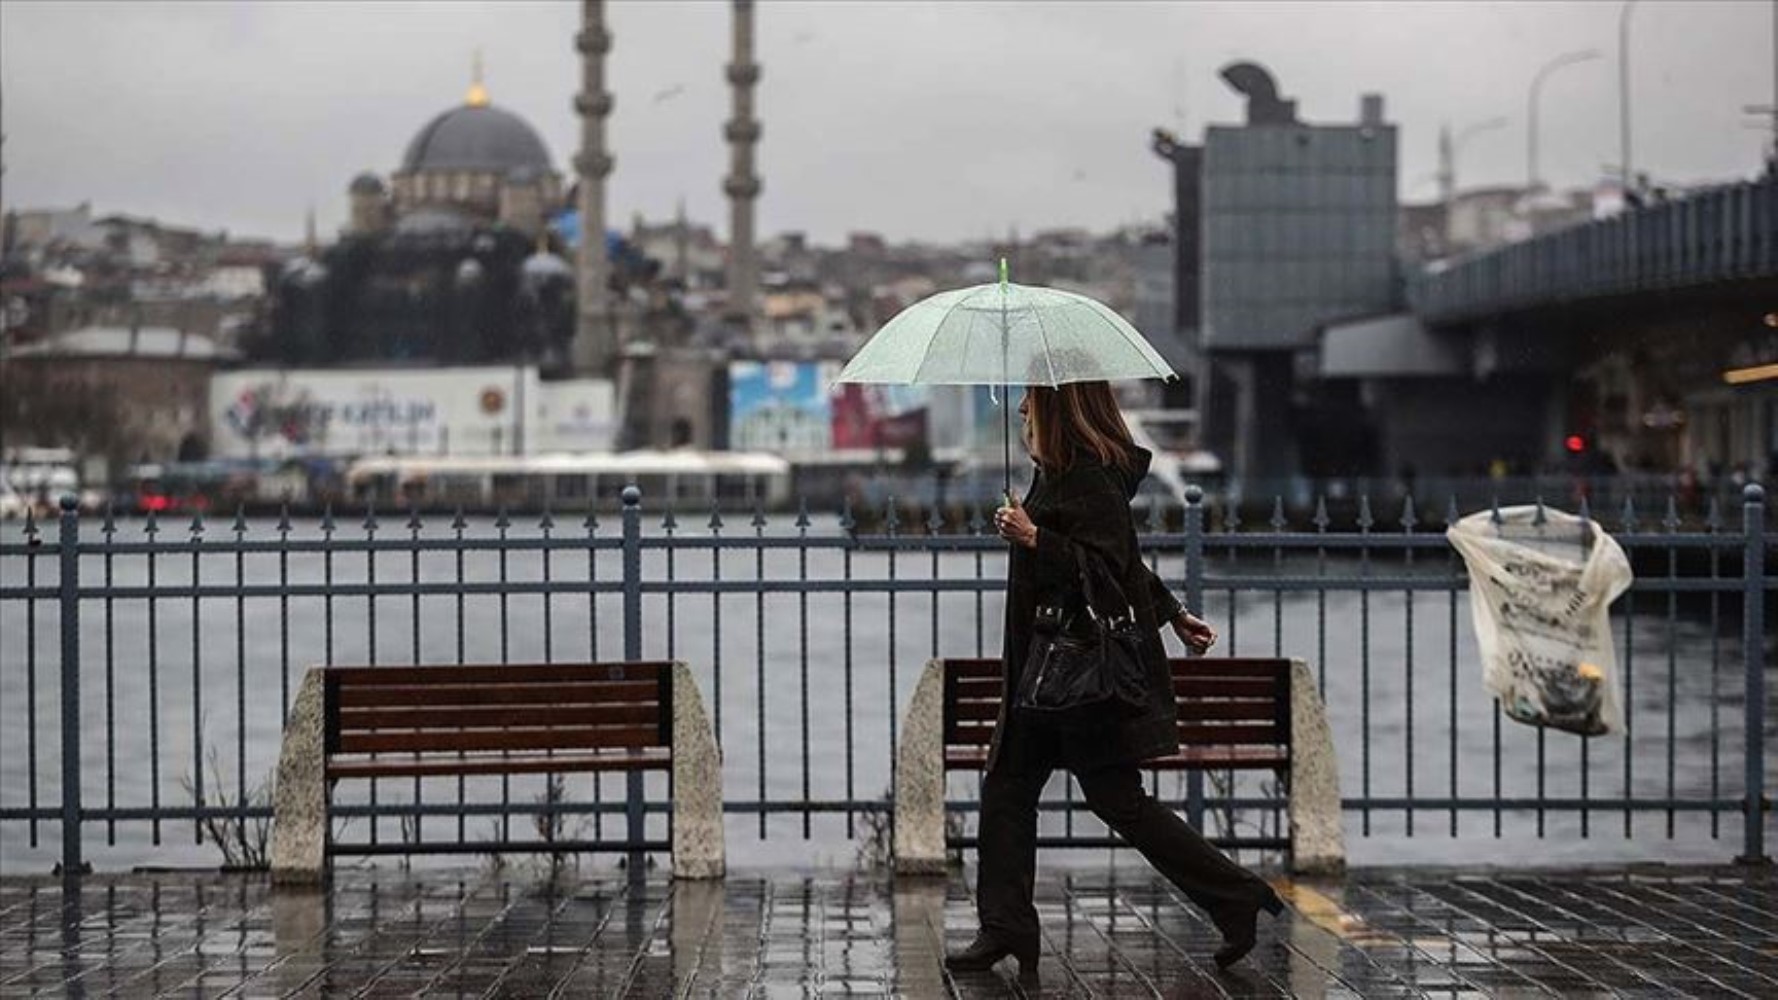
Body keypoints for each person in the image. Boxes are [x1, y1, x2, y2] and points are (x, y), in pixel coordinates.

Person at [946, 381, 1283, 980]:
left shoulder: (1090, 479)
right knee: (1007, 789)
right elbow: (1124, 562)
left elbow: (1103, 570)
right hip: (1045, 675)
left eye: (1031, 398)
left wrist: (1034, 539)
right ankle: (1006, 926)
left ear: (1059, 405)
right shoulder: (1058, 473)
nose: (1022, 407)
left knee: (1115, 800)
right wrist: (1175, 613)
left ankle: (1234, 895)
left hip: (1077, 676)